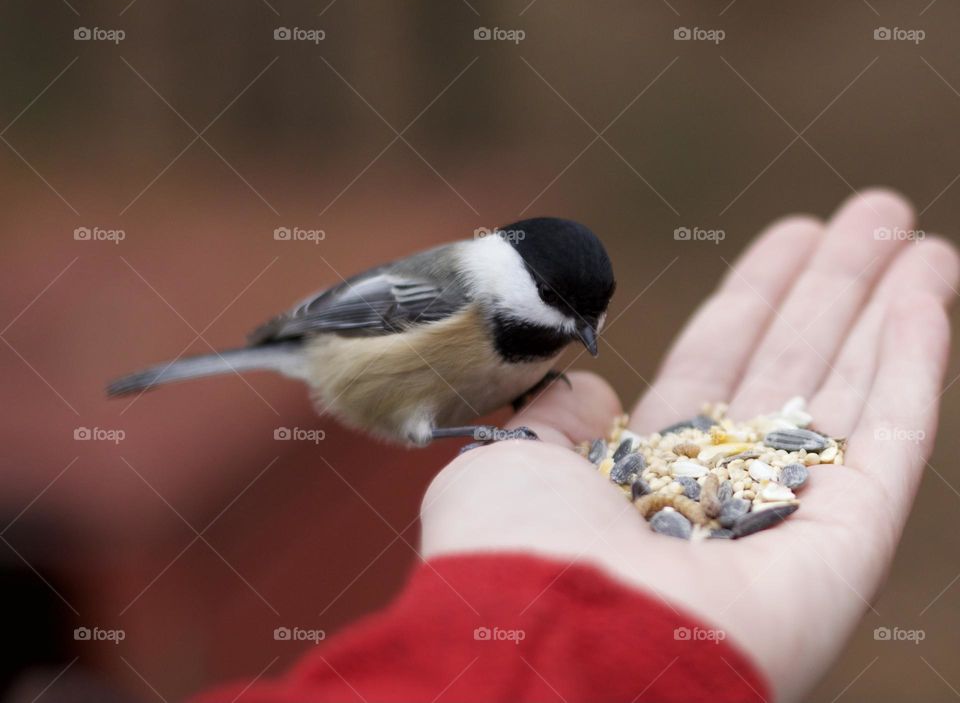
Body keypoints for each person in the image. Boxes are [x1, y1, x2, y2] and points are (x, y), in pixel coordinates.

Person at [195, 191, 958, 703]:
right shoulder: (464, 288)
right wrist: (490, 435)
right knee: (434, 418)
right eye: (566, 311)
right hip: (346, 353)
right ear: (519, 281)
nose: (581, 335)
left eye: (589, 317)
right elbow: (363, 313)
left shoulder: (536, 321)